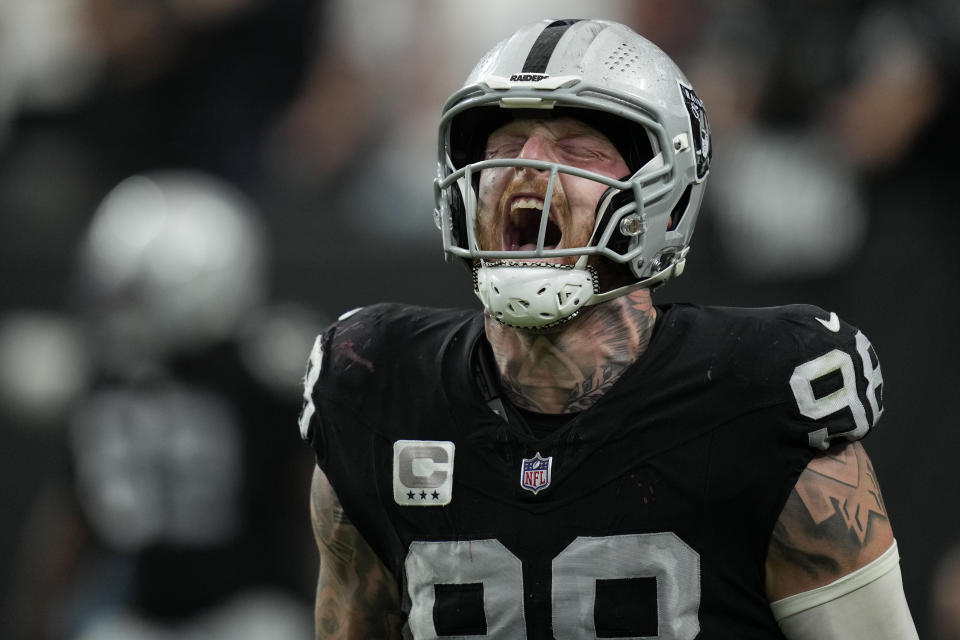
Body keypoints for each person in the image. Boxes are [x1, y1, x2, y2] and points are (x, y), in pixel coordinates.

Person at [298, 18, 919, 639]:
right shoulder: (376, 388)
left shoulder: (762, 399)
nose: (528, 167)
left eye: (576, 148)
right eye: (505, 144)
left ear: (663, 196)